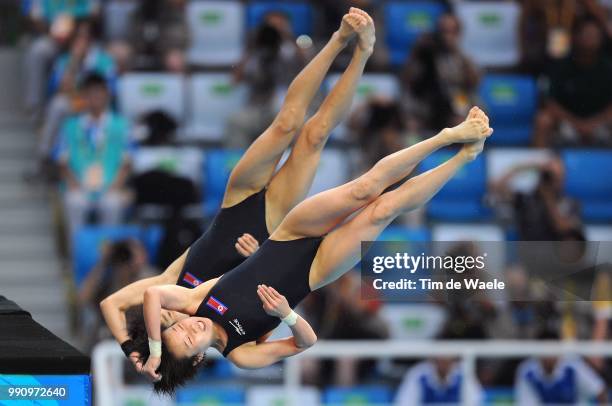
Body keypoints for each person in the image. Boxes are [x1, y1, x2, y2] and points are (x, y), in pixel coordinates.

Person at [136, 106, 493, 394]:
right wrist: (286, 314)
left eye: (179, 329)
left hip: (289, 235)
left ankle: (448, 136)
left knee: (365, 188)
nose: (190, 329)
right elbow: (304, 343)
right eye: (187, 341)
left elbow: (153, 294)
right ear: (198, 359)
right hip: (317, 270)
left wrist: (154, 350)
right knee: (384, 209)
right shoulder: (241, 354)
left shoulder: (193, 300)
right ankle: (463, 158)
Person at [100, 8, 376, 373]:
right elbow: (268, 307)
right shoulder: (223, 330)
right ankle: (362, 54)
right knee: (314, 135)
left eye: (162, 320)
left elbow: (111, 305)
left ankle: (338, 39)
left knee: (286, 123)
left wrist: (135, 353)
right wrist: (258, 255)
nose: (170, 318)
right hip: (273, 222)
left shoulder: (170, 284)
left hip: (236, 204)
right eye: (170, 327)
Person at [54, 73, 131, 236]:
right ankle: (78, 256)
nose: (95, 96)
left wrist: (115, 186)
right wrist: (74, 184)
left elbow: (127, 162)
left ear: (107, 94)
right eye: (90, 92)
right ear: (84, 96)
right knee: (75, 202)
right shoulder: (70, 126)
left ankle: (109, 256)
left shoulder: (121, 125)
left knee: (112, 203)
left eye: (99, 92)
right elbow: (61, 161)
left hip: (110, 185)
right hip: (79, 185)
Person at [534, 18, 612, 147]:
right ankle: (538, 164)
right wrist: (577, 124)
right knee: (543, 120)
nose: (591, 39)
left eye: (595, 36)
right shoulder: (559, 66)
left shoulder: (608, 68)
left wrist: (593, 124)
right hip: (566, 123)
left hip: (599, 123)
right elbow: (549, 102)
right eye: (587, 34)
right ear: (576, 37)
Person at [401, 13, 480, 133]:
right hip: (426, 100)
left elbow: (474, 81)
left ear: (458, 34)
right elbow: (407, 80)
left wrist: (455, 51)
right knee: (410, 121)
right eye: (443, 31)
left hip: (456, 97)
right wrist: (417, 53)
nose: (447, 36)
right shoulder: (426, 53)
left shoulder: (462, 58)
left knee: (463, 113)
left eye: (451, 32)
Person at [515, 331, 608, 404]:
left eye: (551, 350)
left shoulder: (573, 366)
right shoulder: (527, 372)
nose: (548, 355)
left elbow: (600, 390)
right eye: (545, 351)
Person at [394, 357, 483, 405]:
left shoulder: (463, 374)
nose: (443, 361)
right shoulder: (419, 374)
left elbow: (476, 401)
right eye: (440, 357)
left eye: (447, 357)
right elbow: (404, 402)